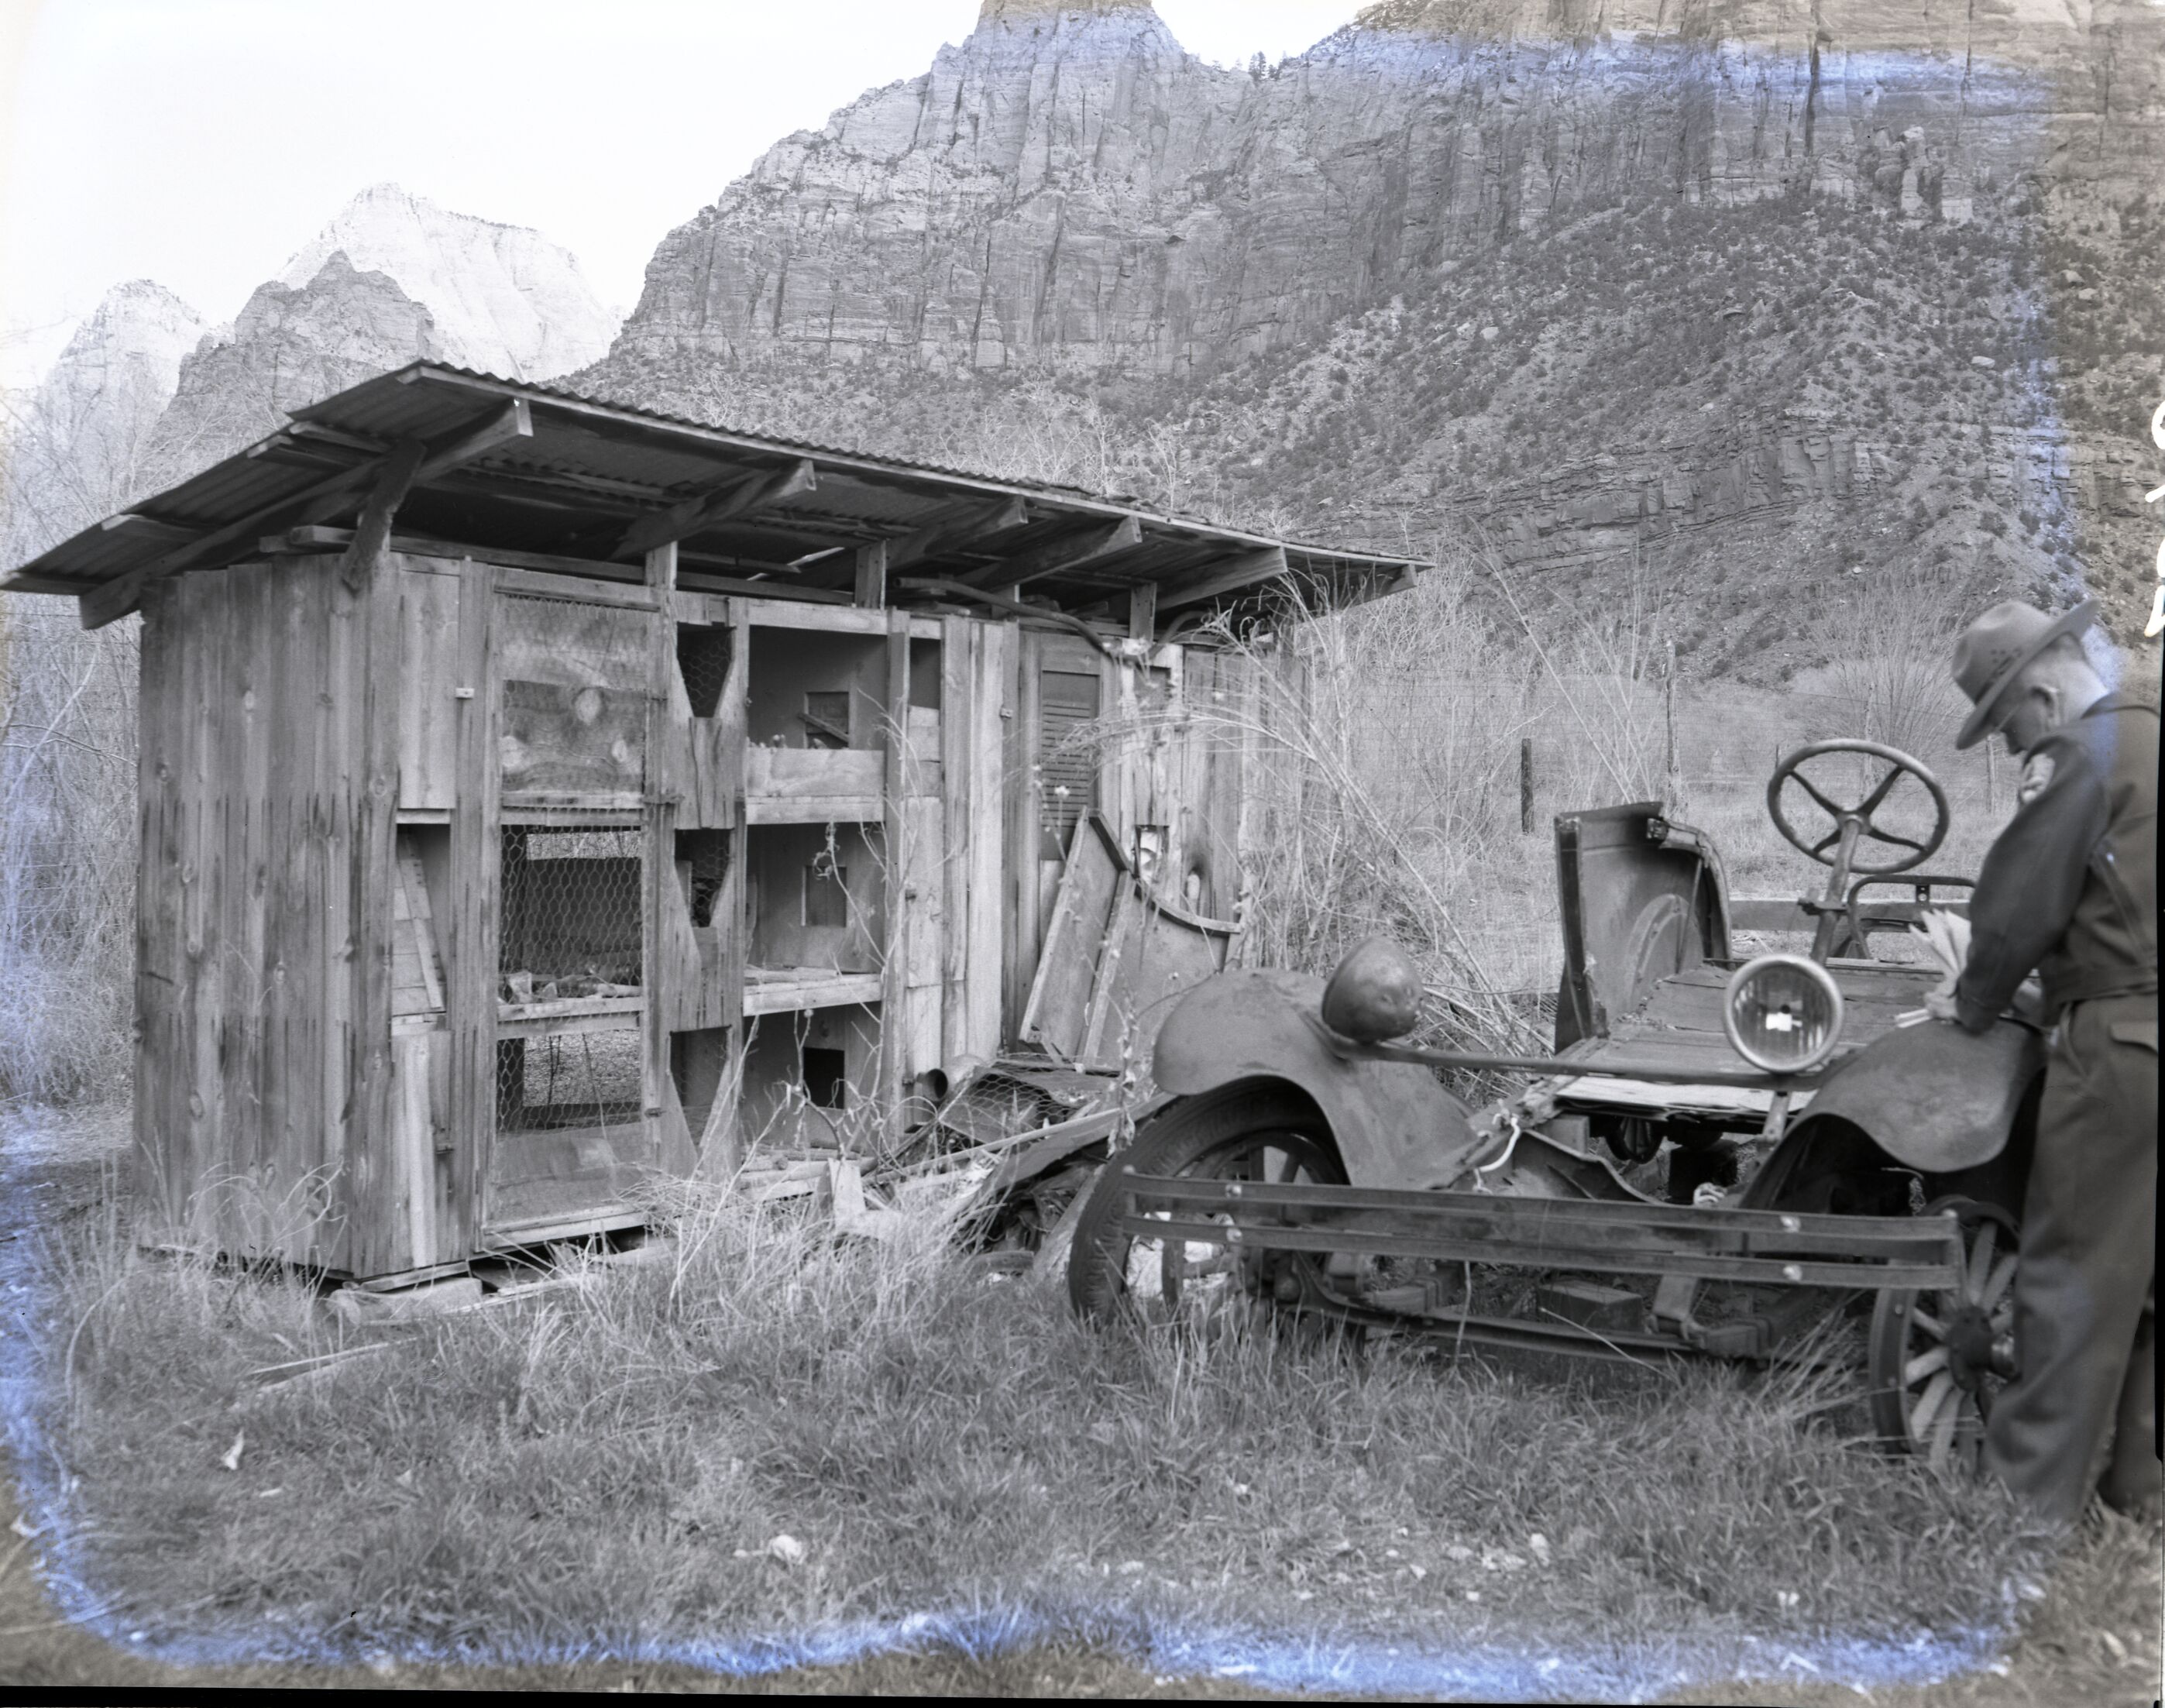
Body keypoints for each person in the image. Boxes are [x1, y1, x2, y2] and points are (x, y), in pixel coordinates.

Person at [1926, 597, 2158, 1527]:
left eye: (2005, 723)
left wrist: (1970, 998)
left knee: (2069, 1274)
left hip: (2123, 1052)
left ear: (2042, 688)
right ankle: (2142, 1492)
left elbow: (2018, 903)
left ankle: (2020, 1513)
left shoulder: (2084, 755)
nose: (2012, 747)